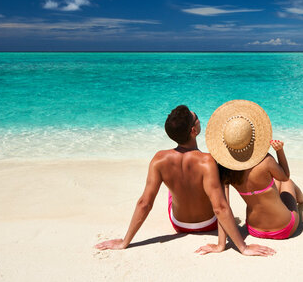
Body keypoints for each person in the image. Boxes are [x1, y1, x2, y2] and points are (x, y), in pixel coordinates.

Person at [94, 105, 275, 257]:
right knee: (221, 180)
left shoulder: (159, 159)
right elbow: (220, 207)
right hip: (208, 223)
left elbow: (144, 203)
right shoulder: (208, 161)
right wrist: (242, 247)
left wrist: (125, 241)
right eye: (196, 118)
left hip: (178, 224)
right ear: (194, 131)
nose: (197, 118)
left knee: (174, 186)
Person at [196, 100, 303, 254]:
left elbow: (223, 207)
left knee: (276, 185)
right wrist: (280, 151)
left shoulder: (225, 170)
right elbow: (285, 176)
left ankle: (301, 199)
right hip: (284, 228)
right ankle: (301, 201)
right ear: (252, 137)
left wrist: (221, 244)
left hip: (254, 229)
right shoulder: (266, 161)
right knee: (288, 183)